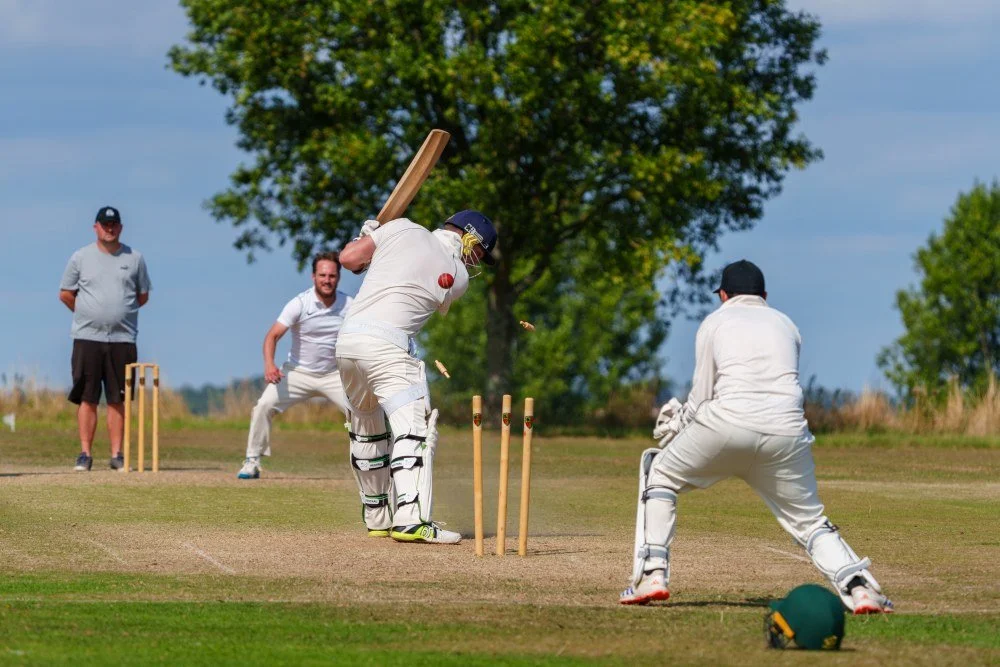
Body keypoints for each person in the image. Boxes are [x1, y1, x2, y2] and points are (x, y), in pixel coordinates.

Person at [621, 260, 893, 614]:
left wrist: (678, 426)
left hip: (725, 426)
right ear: (764, 295)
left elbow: (702, 395)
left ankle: (652, 575)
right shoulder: (787, 324)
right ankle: (860, 590)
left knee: (659, 471)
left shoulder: (715, 322)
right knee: (810, 521)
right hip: (786, 433)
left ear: (722, 295)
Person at [336, 210, 497, 543]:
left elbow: (349, 259)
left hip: (347, 343)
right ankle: (412, 518)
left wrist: (367, 239)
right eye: (479, 253)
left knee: (366, 428)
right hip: (387, 345)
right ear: (470, 239)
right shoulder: (457, 275)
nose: (475, 262)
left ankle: (377, 516)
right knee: (416, 429)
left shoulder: (400, 228)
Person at [238, 251, 354, 480]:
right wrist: (270, 365)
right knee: (263, 405)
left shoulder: (350, 305)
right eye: (322, 275)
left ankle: (372, 462)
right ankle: (252, 461)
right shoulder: (299, 303)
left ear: (338, 277)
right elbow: (272, 336)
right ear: (313, 277)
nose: (327, 280)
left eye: (332, 275)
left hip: (334, 374)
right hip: (297, 372)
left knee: (362, 413)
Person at [59, 206, 152, 472]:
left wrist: (117, 313)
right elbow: (66, 294)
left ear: (120, 227)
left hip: (123, 338)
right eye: (105, 224)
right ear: (96, 227)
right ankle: (85, 454)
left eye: (113, 225)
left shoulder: (135, 258)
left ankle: (117, 454)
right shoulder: (80, 257)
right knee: (87, 397)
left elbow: (142, 296)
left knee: (117, 397)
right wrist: (89, 313)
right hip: (87, 337)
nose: (109, 229)